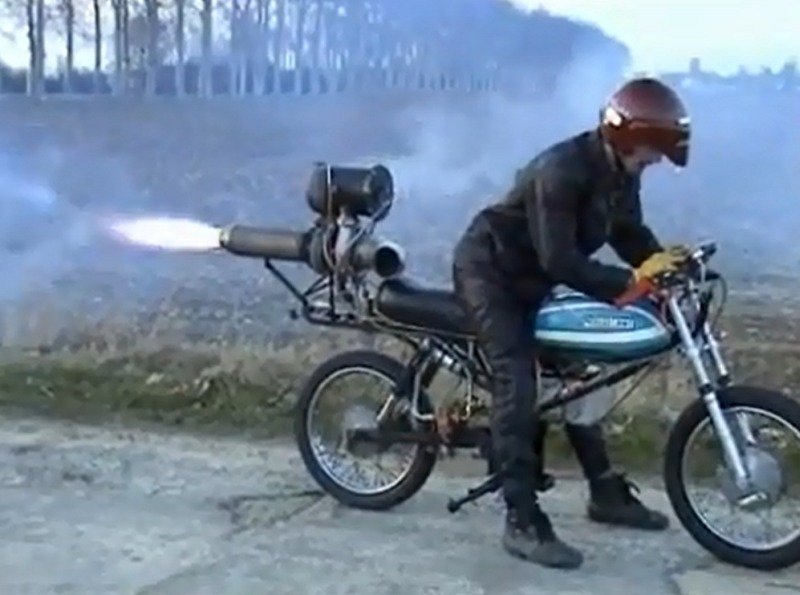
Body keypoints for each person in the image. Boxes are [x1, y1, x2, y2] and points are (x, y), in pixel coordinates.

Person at [452, 77, 692, 569]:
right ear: (630, 138)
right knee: (517, 377)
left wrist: (663, 266)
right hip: (491, 273)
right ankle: (521, 519)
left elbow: (628, 232)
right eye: (653, 151)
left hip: (533, 279)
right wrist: (629, 282)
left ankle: (604, 492)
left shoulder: (620, 172)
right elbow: (559, 259)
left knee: (580, 373)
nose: (655, 162)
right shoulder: (560, 169)